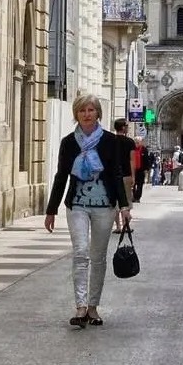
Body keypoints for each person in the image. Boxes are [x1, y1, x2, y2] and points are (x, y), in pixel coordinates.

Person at [45, 93, 131, 328]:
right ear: (76, 114)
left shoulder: (111, 141)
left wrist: (124, 206)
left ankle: (94, 306)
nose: (86, 114)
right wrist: (51, 209)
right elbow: (61, 176)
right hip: (78, 205)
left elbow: (116, 174)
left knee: (98, 257)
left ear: (98, 113)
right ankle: (80, 306)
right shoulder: (69, 142)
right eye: (82, 110)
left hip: (105, 206)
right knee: (81, 253)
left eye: (91, 110)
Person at [112, 119, 135, 233]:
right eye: (127, 126)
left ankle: (118, 226)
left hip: (113, 175)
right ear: (123, 128)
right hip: (126, 174)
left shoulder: (110, 140)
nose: (128, 127)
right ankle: (126, 225)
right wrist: (133, 176)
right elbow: (132, 160)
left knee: (116, 200)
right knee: (126, 199)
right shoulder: (130, 142)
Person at [131, 136, 151, 203]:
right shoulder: (131, 148)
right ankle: (133, 196)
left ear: (141, 142)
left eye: (138, 142)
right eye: (136, 142)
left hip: (141, 169)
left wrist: (147, 169)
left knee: (140, 184)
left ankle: (137, 197)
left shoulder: (144, 149)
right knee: (132, 184)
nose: (137, 143)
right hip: (133, 170)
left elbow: (146, 160)